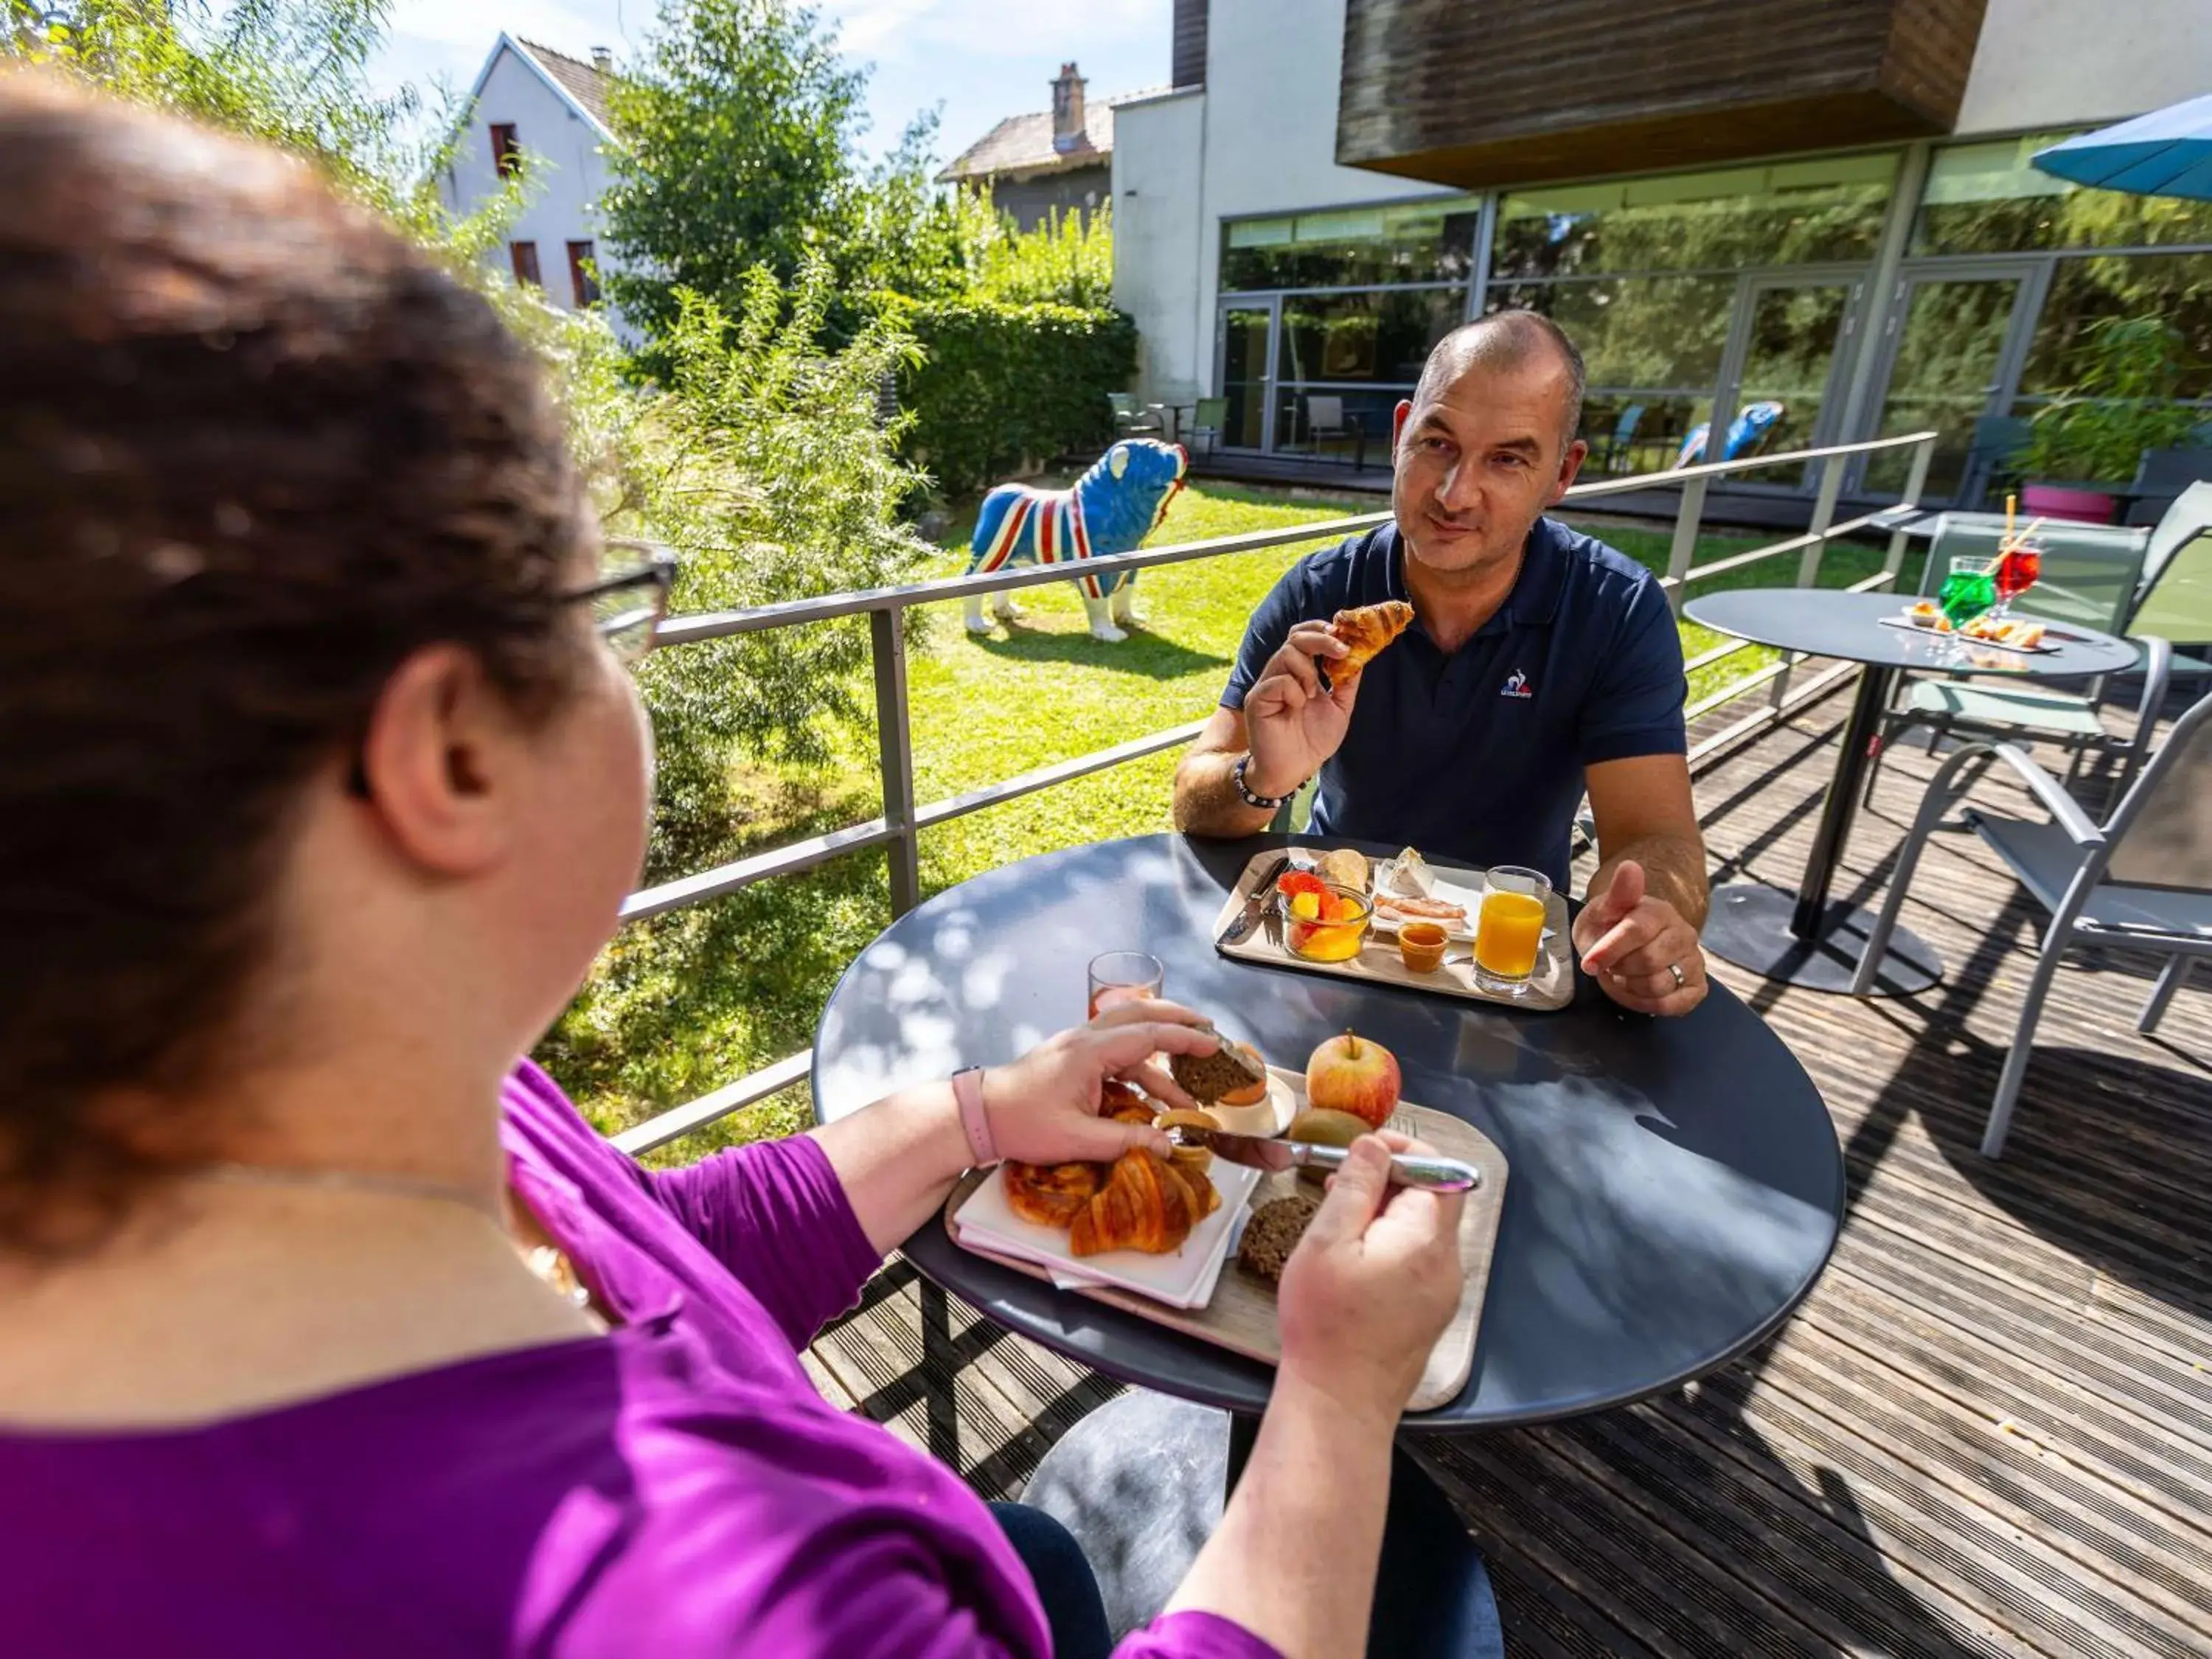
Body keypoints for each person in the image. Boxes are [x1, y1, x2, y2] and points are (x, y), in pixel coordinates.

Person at [0, 76, 1500, 1659]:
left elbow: (647, 1259)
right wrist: (1337, 1391)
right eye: (602, 614)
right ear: (443, 755)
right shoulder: (723, 1605)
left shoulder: (340, 1098)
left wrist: (982, 1113)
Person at [1172, 314, 1711, 1017]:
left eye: (1508, 459)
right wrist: (1262, 780)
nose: (1455, 494)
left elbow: (1658, 838)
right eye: (1437, 443)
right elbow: (1193, 794)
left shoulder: (1613, 610)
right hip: (1334, 940)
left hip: (1505, 964)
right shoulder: (1322, 594)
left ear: (1563, 472)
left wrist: (1647, 918)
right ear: (1401, 433)